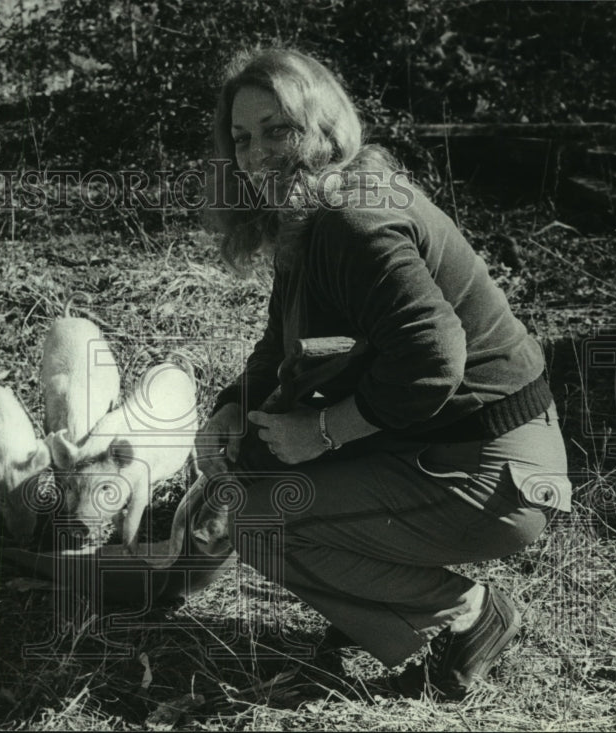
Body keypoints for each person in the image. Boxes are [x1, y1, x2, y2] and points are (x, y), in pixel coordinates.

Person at [192, 48, 572, 701]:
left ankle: (469, 616)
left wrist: (325, 430)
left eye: (278, 128)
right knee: (260, 472)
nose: (256, 154)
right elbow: (281, 346)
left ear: (324, 123)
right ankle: (364, 610)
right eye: (243, 137)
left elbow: (434, 356)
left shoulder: (352, 218)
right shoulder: (317, 208)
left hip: (496, 467)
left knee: (259, 517)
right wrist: (232, 407)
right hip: (451, 443)